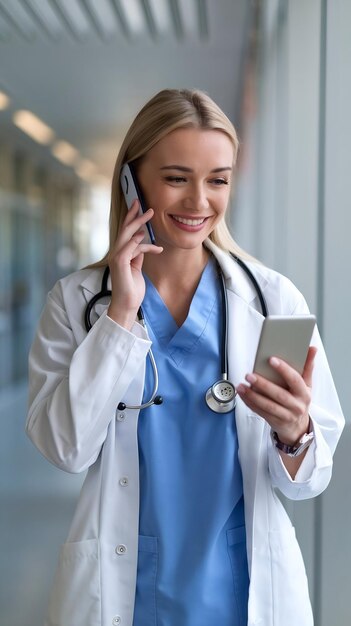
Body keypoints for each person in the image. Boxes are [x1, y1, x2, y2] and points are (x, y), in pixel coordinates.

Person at [26, 88, 344, 626]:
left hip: (241, 595)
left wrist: (296, 435)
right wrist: (121, 316)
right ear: (132, 180)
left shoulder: (271, 299)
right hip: (126, 593)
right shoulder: (78, 303)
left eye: (217, 179)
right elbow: (65, 448)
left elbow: (309, 478)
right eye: (176, 178)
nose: (199, 202)